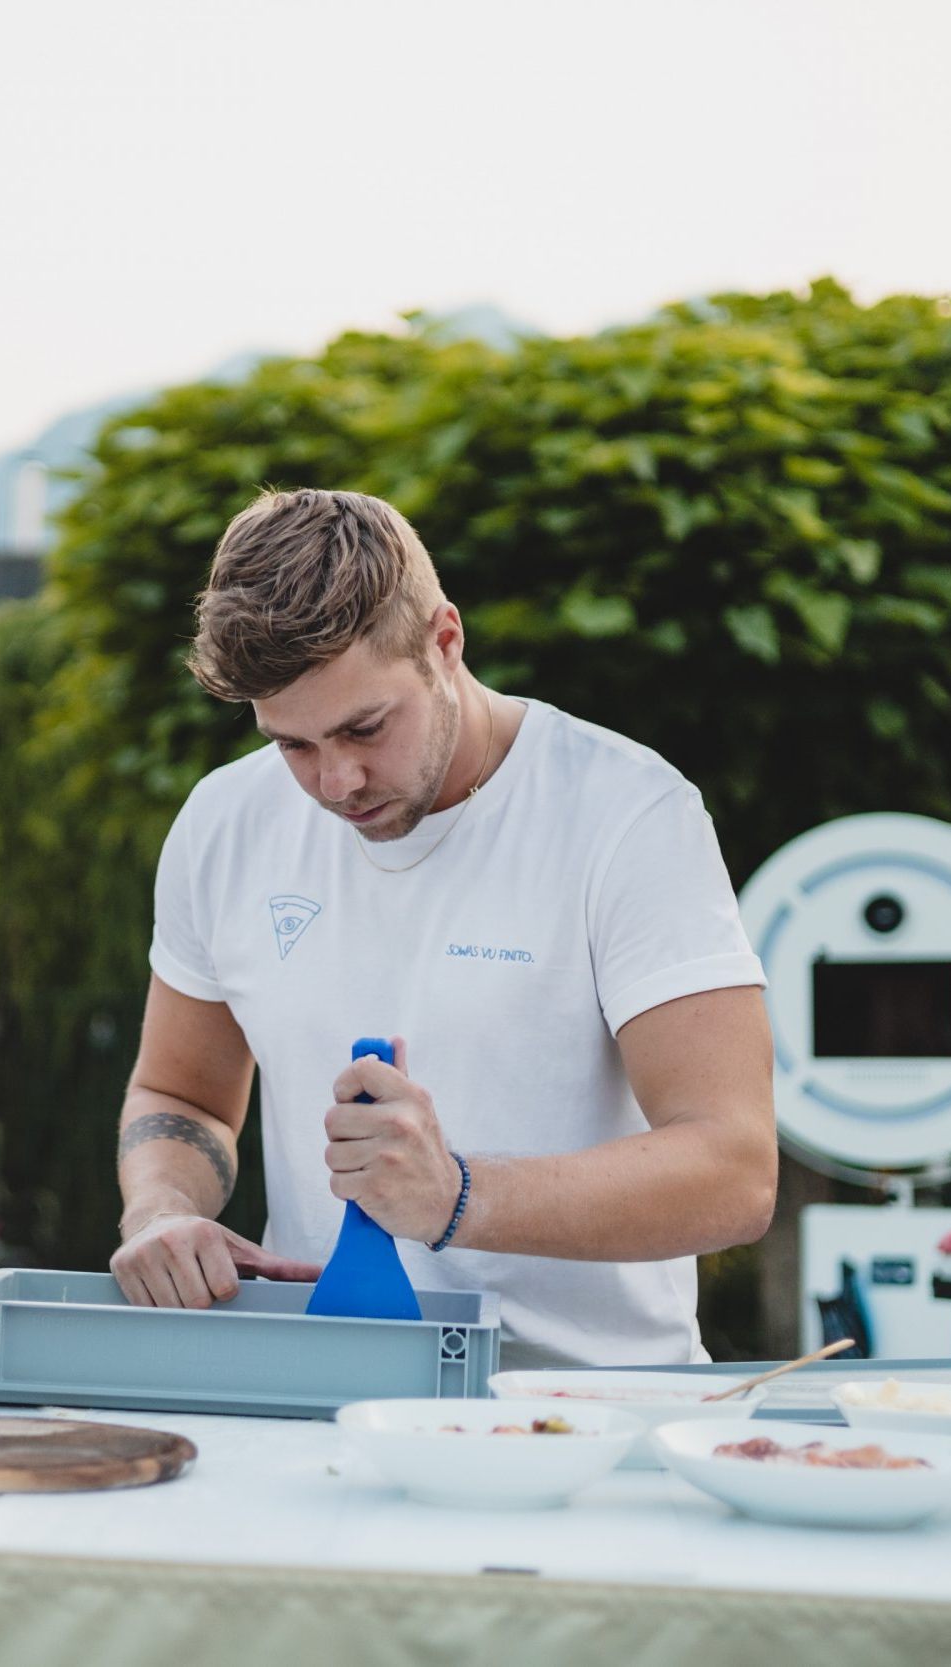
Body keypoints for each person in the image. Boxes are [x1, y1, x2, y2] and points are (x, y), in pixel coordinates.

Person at [109, 488, 775, 1365]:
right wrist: (162, 1209)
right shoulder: (223, 823)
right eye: (293, 744)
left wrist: (460, 1197)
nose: (337, 781)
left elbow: (734, 1169)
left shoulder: (627, 813)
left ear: (445, 641)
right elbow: (181, 1096)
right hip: (320, 1394)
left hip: (587, 1416)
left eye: (365, 726)